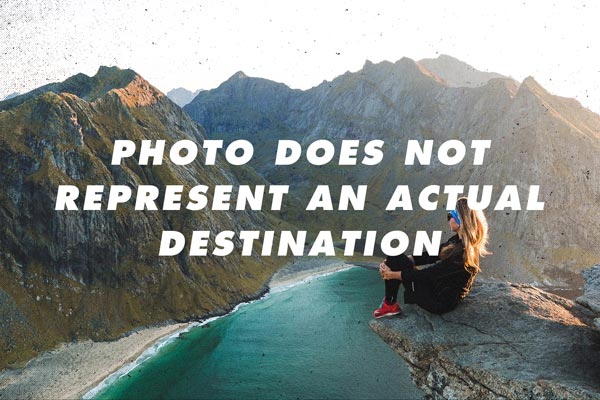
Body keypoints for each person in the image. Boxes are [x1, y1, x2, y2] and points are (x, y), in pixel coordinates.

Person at [373, 196, 491, 318]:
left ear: (460, 220)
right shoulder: (457, 241)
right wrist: (397, 262)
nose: (448, 219)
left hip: (439, 301)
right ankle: (389, 303)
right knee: (394, 257)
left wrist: (392, 274)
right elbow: (432, 254)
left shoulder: (462, 254)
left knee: (397, 263)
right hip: (437, 287)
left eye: (450, 216)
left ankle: (389, 304)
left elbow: (428, 275)